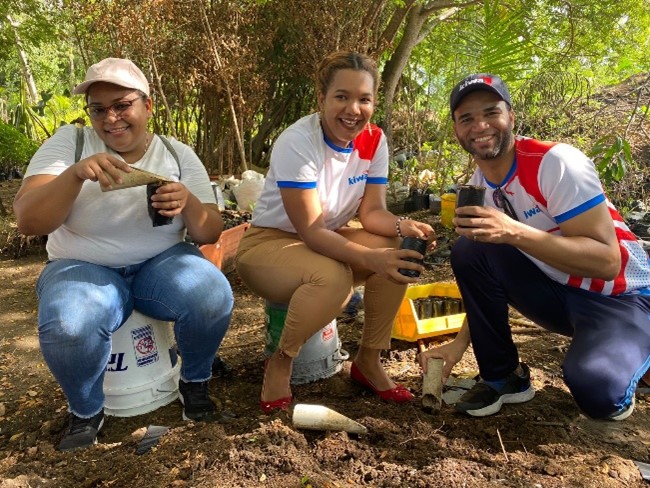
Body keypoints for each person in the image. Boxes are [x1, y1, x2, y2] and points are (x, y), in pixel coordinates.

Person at [14, 58, 234, 451]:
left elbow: (209, 231)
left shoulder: (176, 154)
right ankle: (86, 411)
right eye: (98, 109)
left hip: (161, 264)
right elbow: (29, 220)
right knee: (68, 324)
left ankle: (195, 382)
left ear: (147, 106)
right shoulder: (71, 144)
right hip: (82, 266)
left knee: (210, 293)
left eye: (122, 105)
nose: (111, 118)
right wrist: (75, 174)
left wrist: (187, 203)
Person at [419, 73, 650, 420]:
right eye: (467, 118)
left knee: (599, 392)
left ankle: (636, 351)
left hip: (620, 297)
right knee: (470, 249)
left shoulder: (555, 163)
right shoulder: (480, 185)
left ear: (511, 117)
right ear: (457, 130)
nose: (480, 126)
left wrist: (513, 231)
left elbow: (607, 263)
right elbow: (481, 271)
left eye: (491, 112)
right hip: (557, 292)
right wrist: (458, 345)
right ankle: (503, 377)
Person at [235, 51, 435, 413]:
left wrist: (401, 225)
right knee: (334, 277)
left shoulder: (373, 139)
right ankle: (281, 361)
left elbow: (371, 213)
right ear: (322, 98)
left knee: (397, 248)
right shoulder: (298, 141)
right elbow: (311, 231)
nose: (353, 110)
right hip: (269, 244)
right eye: (342, 96)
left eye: (364, 99)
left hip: (326, 237)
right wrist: (371, 258)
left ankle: (368, 360)